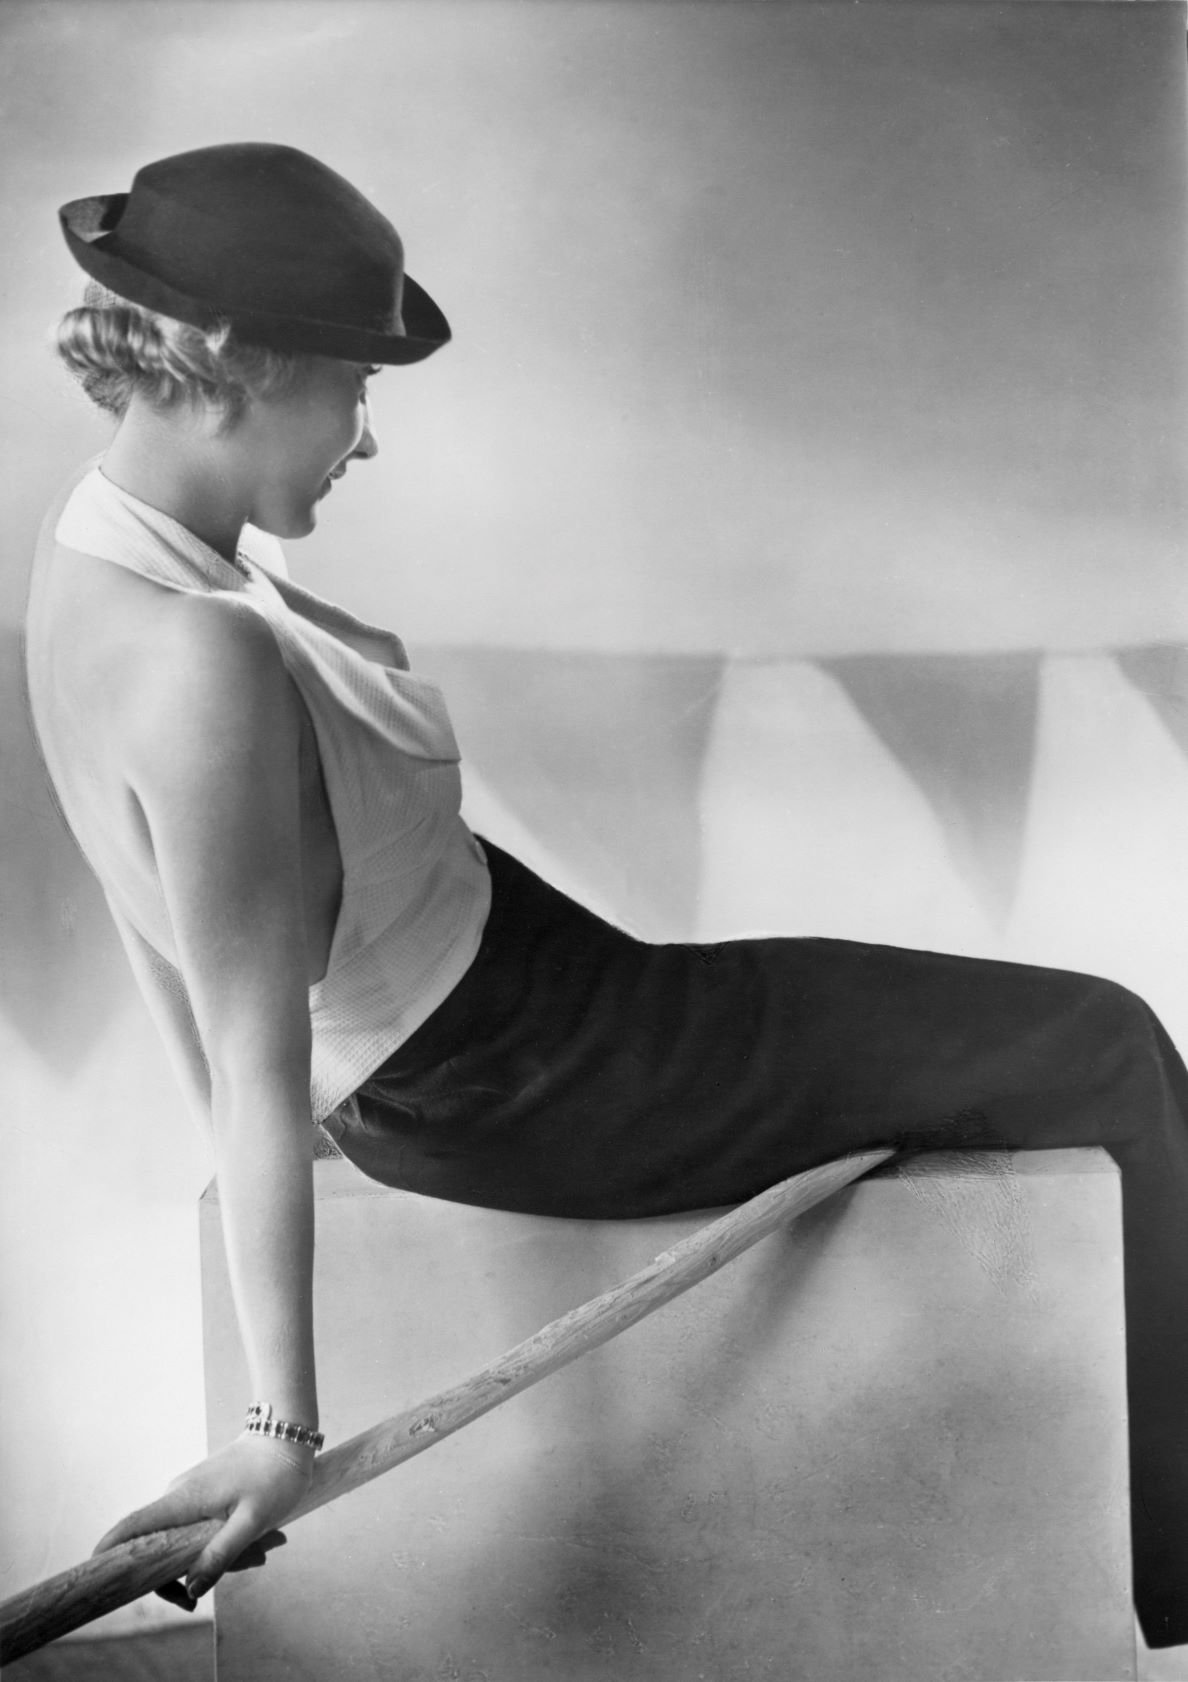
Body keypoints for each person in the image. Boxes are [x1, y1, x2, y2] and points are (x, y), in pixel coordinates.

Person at [23, 142, 1188, 1650]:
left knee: (1040, 1037)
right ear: (238, 360)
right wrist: (274, 1426)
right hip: (535, 1067)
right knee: (1102, 1040)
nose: (367, 436)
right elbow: (250, 1044)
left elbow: (159, 929)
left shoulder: (102, 554)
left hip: (539, 1000)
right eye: (355, 382)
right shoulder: (202, 660)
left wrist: (308, 1127)